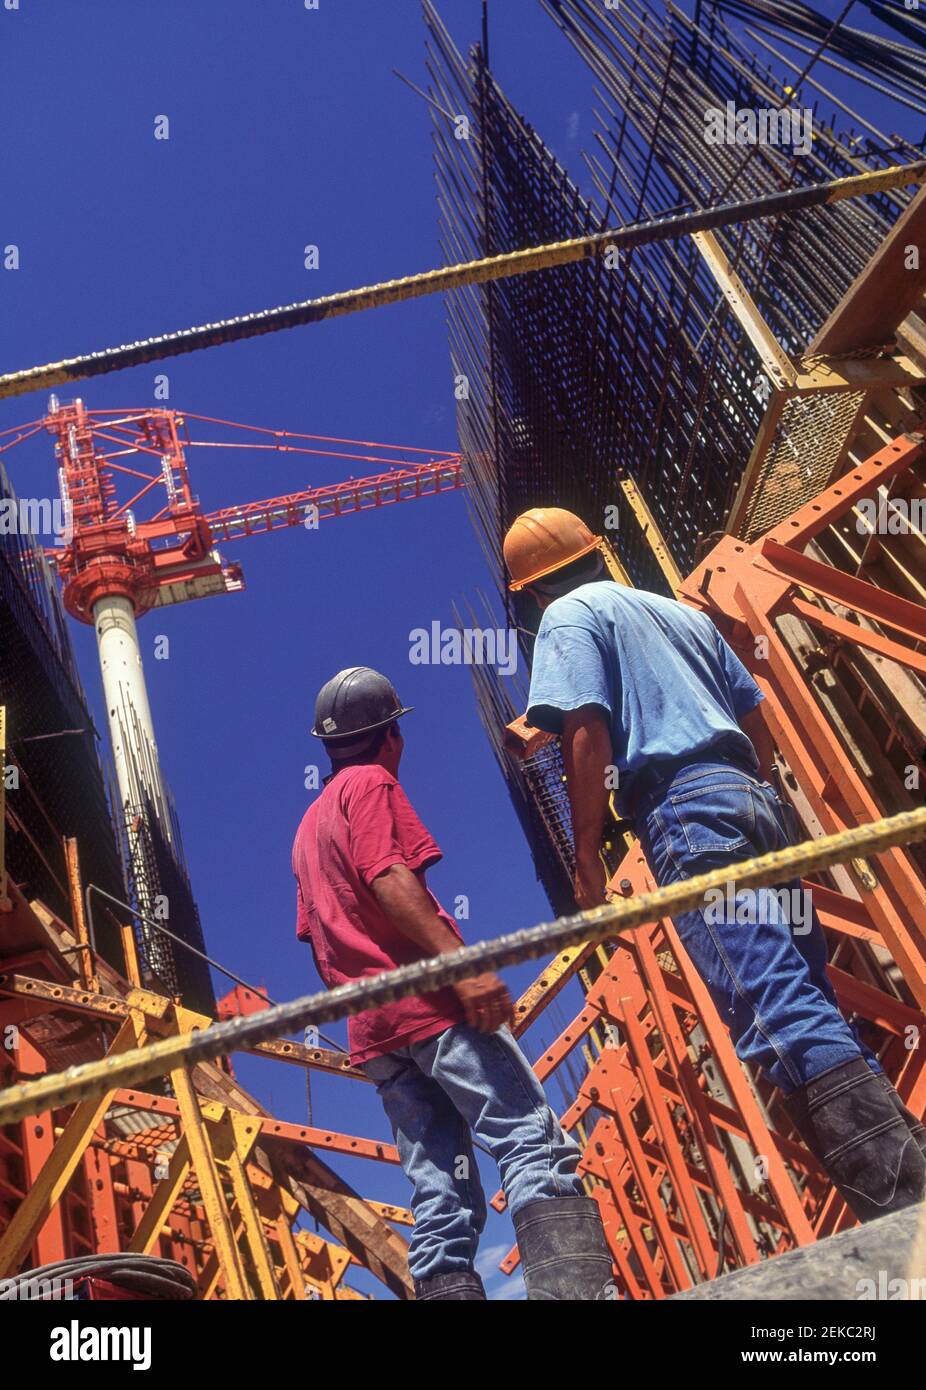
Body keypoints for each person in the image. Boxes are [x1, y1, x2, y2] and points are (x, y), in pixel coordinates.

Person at [504, 506, 926, 1223]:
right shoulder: (679, 613)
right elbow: (754, 713)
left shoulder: (568, 617)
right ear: (596, 552)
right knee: (807, 993)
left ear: (531, 591)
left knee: (774, 1008)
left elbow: (584, 729)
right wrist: (752, 790)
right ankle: (909, 1169)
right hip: (751, 800)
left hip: (683, 812)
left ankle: (907, 1207)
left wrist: (585, 857)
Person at [291, 665, 613, 1300]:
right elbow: (389, 878)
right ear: (390, 736)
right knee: (530, 1143)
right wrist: (461, 970)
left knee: (439, 1191)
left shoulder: (306, 829)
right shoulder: (372, 784)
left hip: (375, 1033)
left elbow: (318, 943)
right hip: (430, 1006)